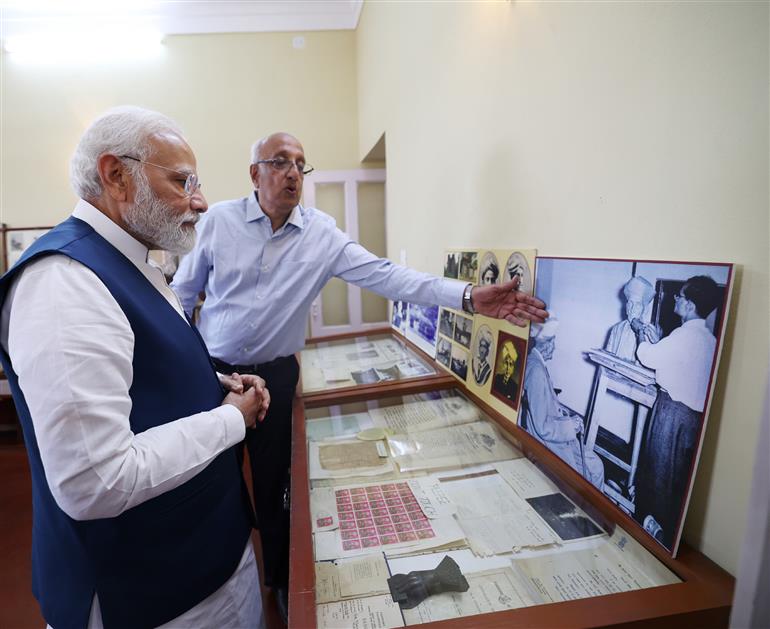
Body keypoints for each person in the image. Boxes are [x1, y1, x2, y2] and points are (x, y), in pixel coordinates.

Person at [170, 131, 549, 609]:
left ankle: (280, 583)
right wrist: (192, 372)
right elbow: (182, 299)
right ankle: (224, 571)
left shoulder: (321, 234)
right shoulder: (219, 222)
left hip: (277, 378)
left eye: (301, 165)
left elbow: (388, 276)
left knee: (274, 483)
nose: (293, 173)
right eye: (280, 162)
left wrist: (469, 296)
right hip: (216, 372)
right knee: (211, 473)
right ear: (255, 173)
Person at [0, 106, 271, 629]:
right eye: (182, 181)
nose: (200, 201)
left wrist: (212, 384)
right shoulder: (65, 282)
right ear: (116, 176)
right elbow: (96, 480)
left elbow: (135, 372)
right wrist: (232, 419)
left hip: (203, 563)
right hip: (152, 596)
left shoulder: (132, 261)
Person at [633, 275, 720, 548]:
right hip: (694, 420)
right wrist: (661, 342)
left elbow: (648, 357)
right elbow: (678, 361)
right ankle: (666, 532)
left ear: (691, 305)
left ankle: (649, 530)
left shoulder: (684, 335)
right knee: (676, 479)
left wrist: (641, 336)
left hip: (672, 413)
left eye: (680, 297)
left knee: (658, 472)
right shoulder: (709, 339)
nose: (676, 299)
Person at [522, 319, 605, 489]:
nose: (554, 346)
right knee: (595, 469)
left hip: (554, 435)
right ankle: (592, 507)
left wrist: (567, 416)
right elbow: (543, 427)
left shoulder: (535, 364)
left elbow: (546, 406)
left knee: (595, 465)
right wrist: (571, 426)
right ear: (546, 344)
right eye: (553, 341)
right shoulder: (536, 371)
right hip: (549, 443)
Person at [605, 276, 655, 361]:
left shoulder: (650, 334)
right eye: (630, 303)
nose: (632, 308)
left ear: (645, 309)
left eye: (637, 305)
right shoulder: (617, 329)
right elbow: (606, 359)